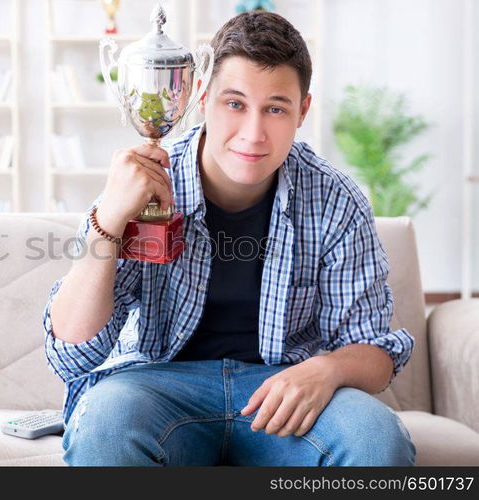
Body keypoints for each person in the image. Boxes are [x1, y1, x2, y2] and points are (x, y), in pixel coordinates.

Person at [42, 10, 416, 466]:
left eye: (275, 108)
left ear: (303, 111)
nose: (253, 134)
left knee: (376, 441)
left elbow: (375, 352)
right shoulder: (144, 183)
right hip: (157, 385)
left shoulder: (337, 201)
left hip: (283, 390)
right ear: (202, 96)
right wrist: (108, 219)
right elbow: (72, 355)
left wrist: (327, 369)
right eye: (234, 103)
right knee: (106, 427)